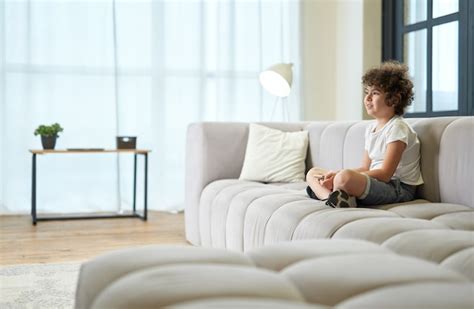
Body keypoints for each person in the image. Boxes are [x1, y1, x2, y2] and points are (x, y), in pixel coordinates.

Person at [306, 61, 424, 208]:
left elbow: (386, 173)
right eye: (367, 92)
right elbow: (364, 168)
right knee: (313, 173)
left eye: (375, 93)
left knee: (344, 177)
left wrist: (340, 177)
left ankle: (335, 194)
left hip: (397, 187)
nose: (367, 98)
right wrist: (334, 174)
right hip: (376, 182)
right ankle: (331, 198)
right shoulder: (371, 129)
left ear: (395, 99)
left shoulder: (397, 127)